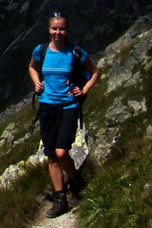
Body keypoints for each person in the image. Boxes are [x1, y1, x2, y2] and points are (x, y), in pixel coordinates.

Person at [28, 13, 101, 217]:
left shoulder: (75, 52)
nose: (58, 32)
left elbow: (95, 72)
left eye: (61, 29)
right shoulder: (41, 51)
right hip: (47, 107)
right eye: (54, 29)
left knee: (61, 152)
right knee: (51, 155)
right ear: (49, 30)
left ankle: (77, 182)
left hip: (69, 106)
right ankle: (61, 198)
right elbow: (32, 67)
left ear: (66, 30)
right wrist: (36, 82)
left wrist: (84, 90)